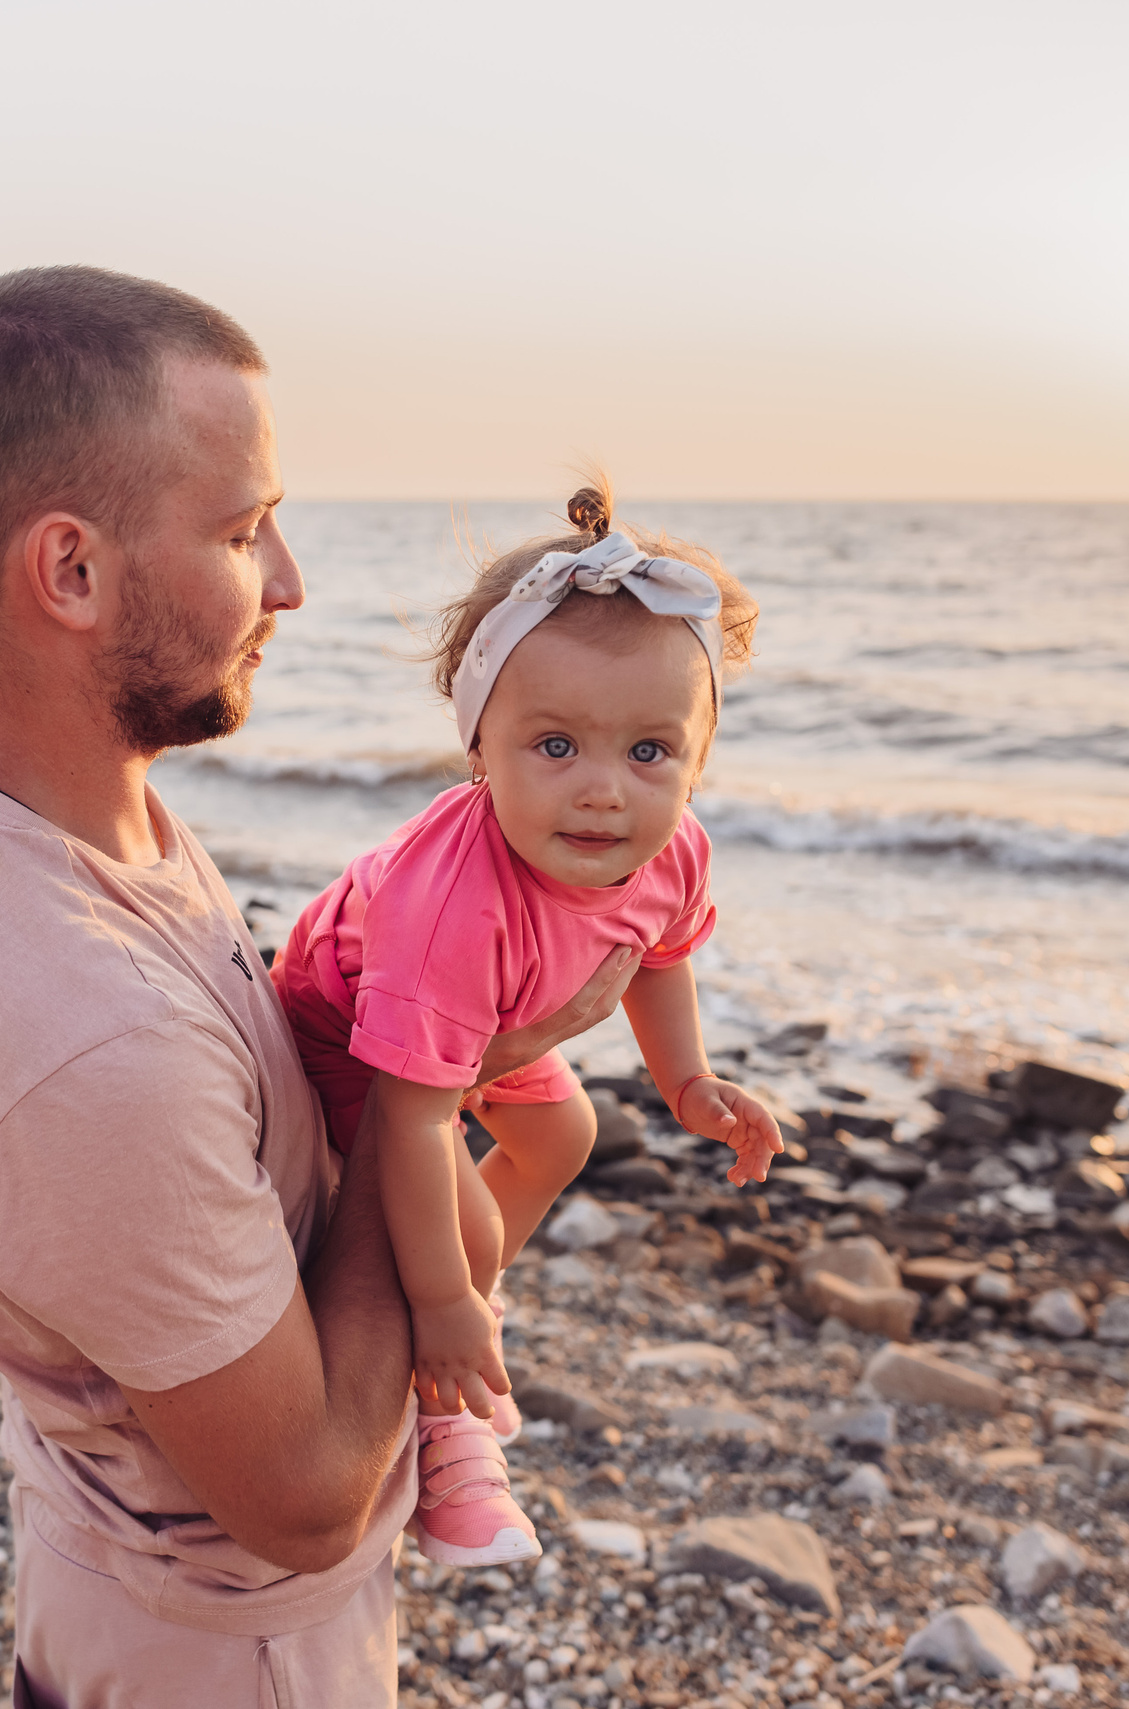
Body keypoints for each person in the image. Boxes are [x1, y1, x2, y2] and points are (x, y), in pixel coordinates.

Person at [0, 266, 636, 1708]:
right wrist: (428, 1077)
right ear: (71, 572)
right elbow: (307, 1496)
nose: (289, 579)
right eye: (240, 528)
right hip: (231, 1659)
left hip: (102, 1584)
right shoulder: (91, 1042)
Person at [271, 479, 786, 1568]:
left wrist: (689, 1082)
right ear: (478, 747)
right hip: (350, 1026)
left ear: (694, 760)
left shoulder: (672, 844)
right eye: (554, 746)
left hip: (475, 1024)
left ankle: (452, 1323)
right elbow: (416, 1119)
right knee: (458, 1234)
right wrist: (448, 1293)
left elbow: (661, 954)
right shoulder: (447, 904)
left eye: (650, 752)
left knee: (565, 1134)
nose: (604, 792)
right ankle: (445, 1414)